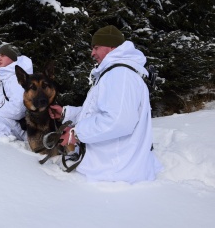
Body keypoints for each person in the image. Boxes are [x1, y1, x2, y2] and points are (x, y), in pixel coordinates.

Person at [49, 25, 162, 183]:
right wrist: (66, 113)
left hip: (113, 174)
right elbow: (100, 111)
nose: (92, 53)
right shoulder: (116, 72)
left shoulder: (120, 75)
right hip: (111, 166)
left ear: (111, 47)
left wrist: (76, 133)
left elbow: (118, 121)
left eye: (96, 48)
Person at [0, 44, 33, 141]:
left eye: (3, 55)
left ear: (12, 58)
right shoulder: (7, 77)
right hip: (11, 122)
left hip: (20, 127)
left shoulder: (17, 78)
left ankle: (7, 151)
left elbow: (18, 109)